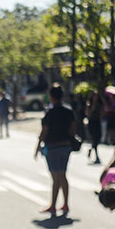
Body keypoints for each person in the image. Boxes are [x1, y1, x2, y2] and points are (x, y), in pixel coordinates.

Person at [34, 84, 75, 216]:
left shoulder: (50, 113)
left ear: (51, 97)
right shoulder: (68, 111)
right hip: (66, 146)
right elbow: (73, 130)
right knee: (63, 175)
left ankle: (53, 205)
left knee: (56, 177)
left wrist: (37, 147)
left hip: (53, 147)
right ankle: (65, 203)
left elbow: (44, 132)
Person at [86, 90, 103, 164]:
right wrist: (92, 107)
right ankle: (97, 156)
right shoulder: (89, 104)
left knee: (98, 138)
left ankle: (91, 149)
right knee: (94, 139)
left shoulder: (100, 104)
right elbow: (88, 114)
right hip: (92, 123)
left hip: (98, 122)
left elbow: (103, 112)